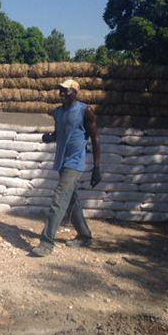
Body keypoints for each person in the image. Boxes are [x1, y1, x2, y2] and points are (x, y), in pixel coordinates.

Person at [30, 79, 102, 258]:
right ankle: (85, 236)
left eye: (66, 91)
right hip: (61, 161)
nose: (61, 93)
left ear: (75, 92)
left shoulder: (86, 111)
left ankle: (46, 242)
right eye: (60, 90)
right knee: (72, 202)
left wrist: (97, 167)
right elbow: (59, 133)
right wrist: (49, 138)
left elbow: (95, 139)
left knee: (59, 200)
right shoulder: (58, 112)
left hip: (75, 163)